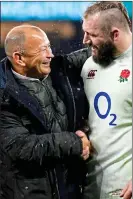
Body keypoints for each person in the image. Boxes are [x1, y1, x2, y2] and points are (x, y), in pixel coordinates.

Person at [0, 24, 91, 199]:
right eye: (43, 49)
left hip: (70, 190)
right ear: (19, 58)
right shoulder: (4, 94)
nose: (50, 54)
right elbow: (21, 146)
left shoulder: (59, 69)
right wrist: (75, 142)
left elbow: (96, 51)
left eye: (49, 46)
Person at [80, 1, 132, 199]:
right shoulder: (89, 65)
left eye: (92, 35)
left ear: (115, 34)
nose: (85, 40)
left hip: (124, 188)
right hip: (90, 186)